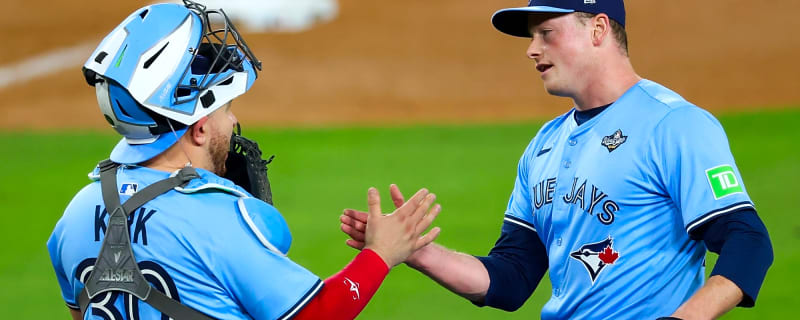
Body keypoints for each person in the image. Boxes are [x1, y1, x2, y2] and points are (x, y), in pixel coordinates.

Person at [340, 0, 773, 318]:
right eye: (532, 36)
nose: (532, 49)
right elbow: (510, 278)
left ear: (599, 29)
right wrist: (414, 251)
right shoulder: (544, 146)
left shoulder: (674, 125)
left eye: (546, 32)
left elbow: (748, 243)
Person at [46, 1, 441, 319]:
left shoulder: (75, 216)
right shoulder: (219, 221)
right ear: (198, 128)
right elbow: (316, 313)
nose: (233, 122)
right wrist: (381, 254)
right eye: (225, 109)